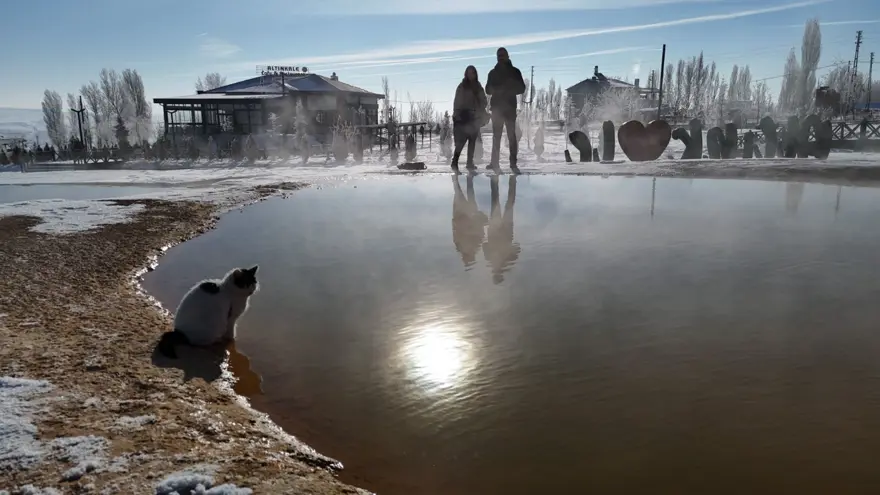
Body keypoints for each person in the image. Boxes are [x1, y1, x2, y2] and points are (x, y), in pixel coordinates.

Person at [485, 47, 526, 171]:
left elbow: (522, 89)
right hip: (497, 109)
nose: (500, 57)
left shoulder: (514, 72)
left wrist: (508, 88)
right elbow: (488, 90)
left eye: (503, 55)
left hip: (509, 108)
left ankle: (513, 163)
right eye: (499, 55)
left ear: (508, 56)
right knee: (496, 136)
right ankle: (494, 163)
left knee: (511, 136)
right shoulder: (492, 73)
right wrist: (496, 88)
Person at [451, 65, 488, 171]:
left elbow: (484, 101)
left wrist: (480, 106)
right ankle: (455, 162)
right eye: (469, 73)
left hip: (475, 118)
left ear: (475, 74)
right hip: (464, 117)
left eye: (473, 73)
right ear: (466, 74)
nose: (471, 75)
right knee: (461, 141)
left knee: (472, 141)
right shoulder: (462, 86)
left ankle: (469, 163)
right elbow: (457, 102)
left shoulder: (478, 86)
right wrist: (456, 115)